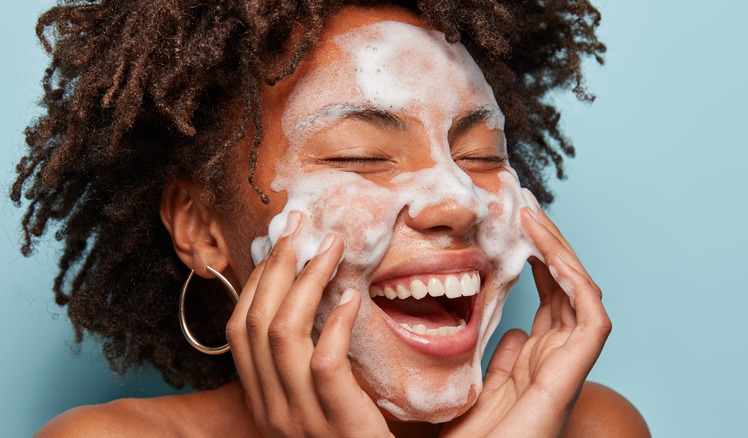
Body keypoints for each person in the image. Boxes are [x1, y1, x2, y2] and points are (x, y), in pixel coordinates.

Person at [13, 0, 650, 436]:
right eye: (362, 156)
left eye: (481, 155)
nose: (457, 200)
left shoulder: (592, 427)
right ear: (201, 229)